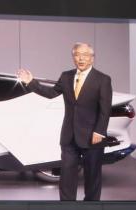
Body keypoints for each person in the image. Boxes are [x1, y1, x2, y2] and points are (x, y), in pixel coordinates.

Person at [17, 43, 112, 201]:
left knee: (92, 175)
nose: (81, 58)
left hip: (92, 136)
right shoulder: (66, 76)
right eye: (77, 55)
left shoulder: (103, 79)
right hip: (69, 136)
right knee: (67, 175)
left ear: (92, 58)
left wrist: (100, 131)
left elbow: (105, 109)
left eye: (85, 55)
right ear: (73, 58)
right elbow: (51, 93)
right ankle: (67, 207)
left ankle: (92, 207)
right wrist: (31, 82)